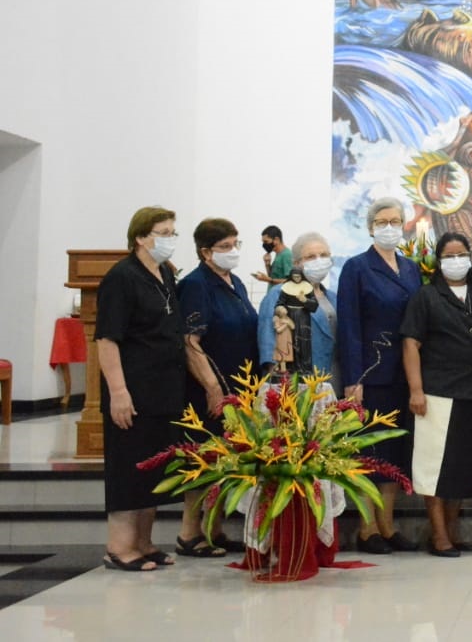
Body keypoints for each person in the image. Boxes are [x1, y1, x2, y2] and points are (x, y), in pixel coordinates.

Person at [95, 206, 186, 571]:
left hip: (163, 391)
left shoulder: (163, 272)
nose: (170, 239)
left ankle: (144, 543)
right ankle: (119, 547)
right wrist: (118, 391)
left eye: (172, 232)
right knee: (129, 467)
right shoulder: (122, 277)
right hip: (132, 390)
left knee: (154, 468)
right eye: (164, 232)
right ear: (141, 237)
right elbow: (107, 339)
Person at [336, 198, 420, 554]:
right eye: (383, 221)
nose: (390, 227)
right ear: (371, 227)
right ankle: (367, 527)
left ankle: (387, 524)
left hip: (406, 375)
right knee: (371, 453)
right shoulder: (357, 268)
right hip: (372, 375)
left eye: (396, 221)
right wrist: (354, 380)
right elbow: (350, 328)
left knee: (396, 453)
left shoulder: (411, 268)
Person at [401, 232, 472, 558]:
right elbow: (411, 343)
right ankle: (438, 536)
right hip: (437, 393)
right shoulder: (425, 297)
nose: (456, 261)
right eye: (449, 255)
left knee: (461, 467)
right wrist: (416, 390)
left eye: (461, 254)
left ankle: (452, 531)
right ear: (439, 262)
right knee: (434, 467)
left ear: (470, 257)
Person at [176, 217, 260, 557]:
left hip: (238, 386)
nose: (232, 251)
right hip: (208, 389)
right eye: (225, 247)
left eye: (235, 244)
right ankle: (189, 533)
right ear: (205, 251)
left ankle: (214, 529)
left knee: (227, 459)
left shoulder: (235, 281)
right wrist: (212, 387)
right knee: (205, 459)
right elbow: (190, 341)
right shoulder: (196, 285)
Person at [256, 231, 341, 389]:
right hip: (298, 389)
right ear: (296, 264)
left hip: (334, 385)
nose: (319, 261)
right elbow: (269, 346)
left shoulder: (334, 298)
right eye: (310, 257)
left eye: (324, 255)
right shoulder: (279, 294)